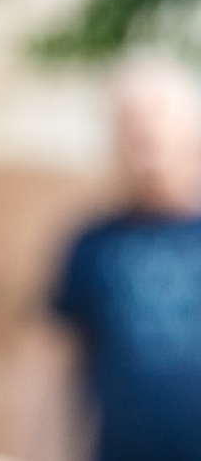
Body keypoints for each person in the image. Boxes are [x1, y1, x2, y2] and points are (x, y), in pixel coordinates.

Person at [53, 55, 201, 461]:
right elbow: (53, 367)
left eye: (157, 131)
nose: (147, 150)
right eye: (133, 134)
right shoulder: (92, 243)